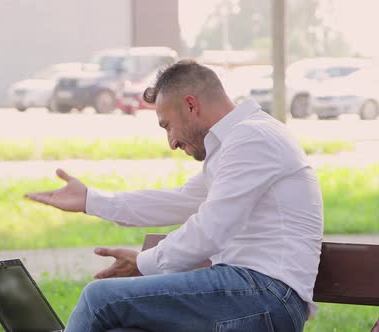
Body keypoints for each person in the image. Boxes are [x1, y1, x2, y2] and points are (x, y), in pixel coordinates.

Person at [25, 59, 323, 332]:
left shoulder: (252, 138)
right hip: (252, 295)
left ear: (191, 105)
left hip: (266, 296)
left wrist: (143, 263)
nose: (171, 142)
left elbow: (210, 231)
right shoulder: (239, 141)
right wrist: (91, 199)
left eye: (167, 125)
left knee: (98, 299)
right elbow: (178, 201)